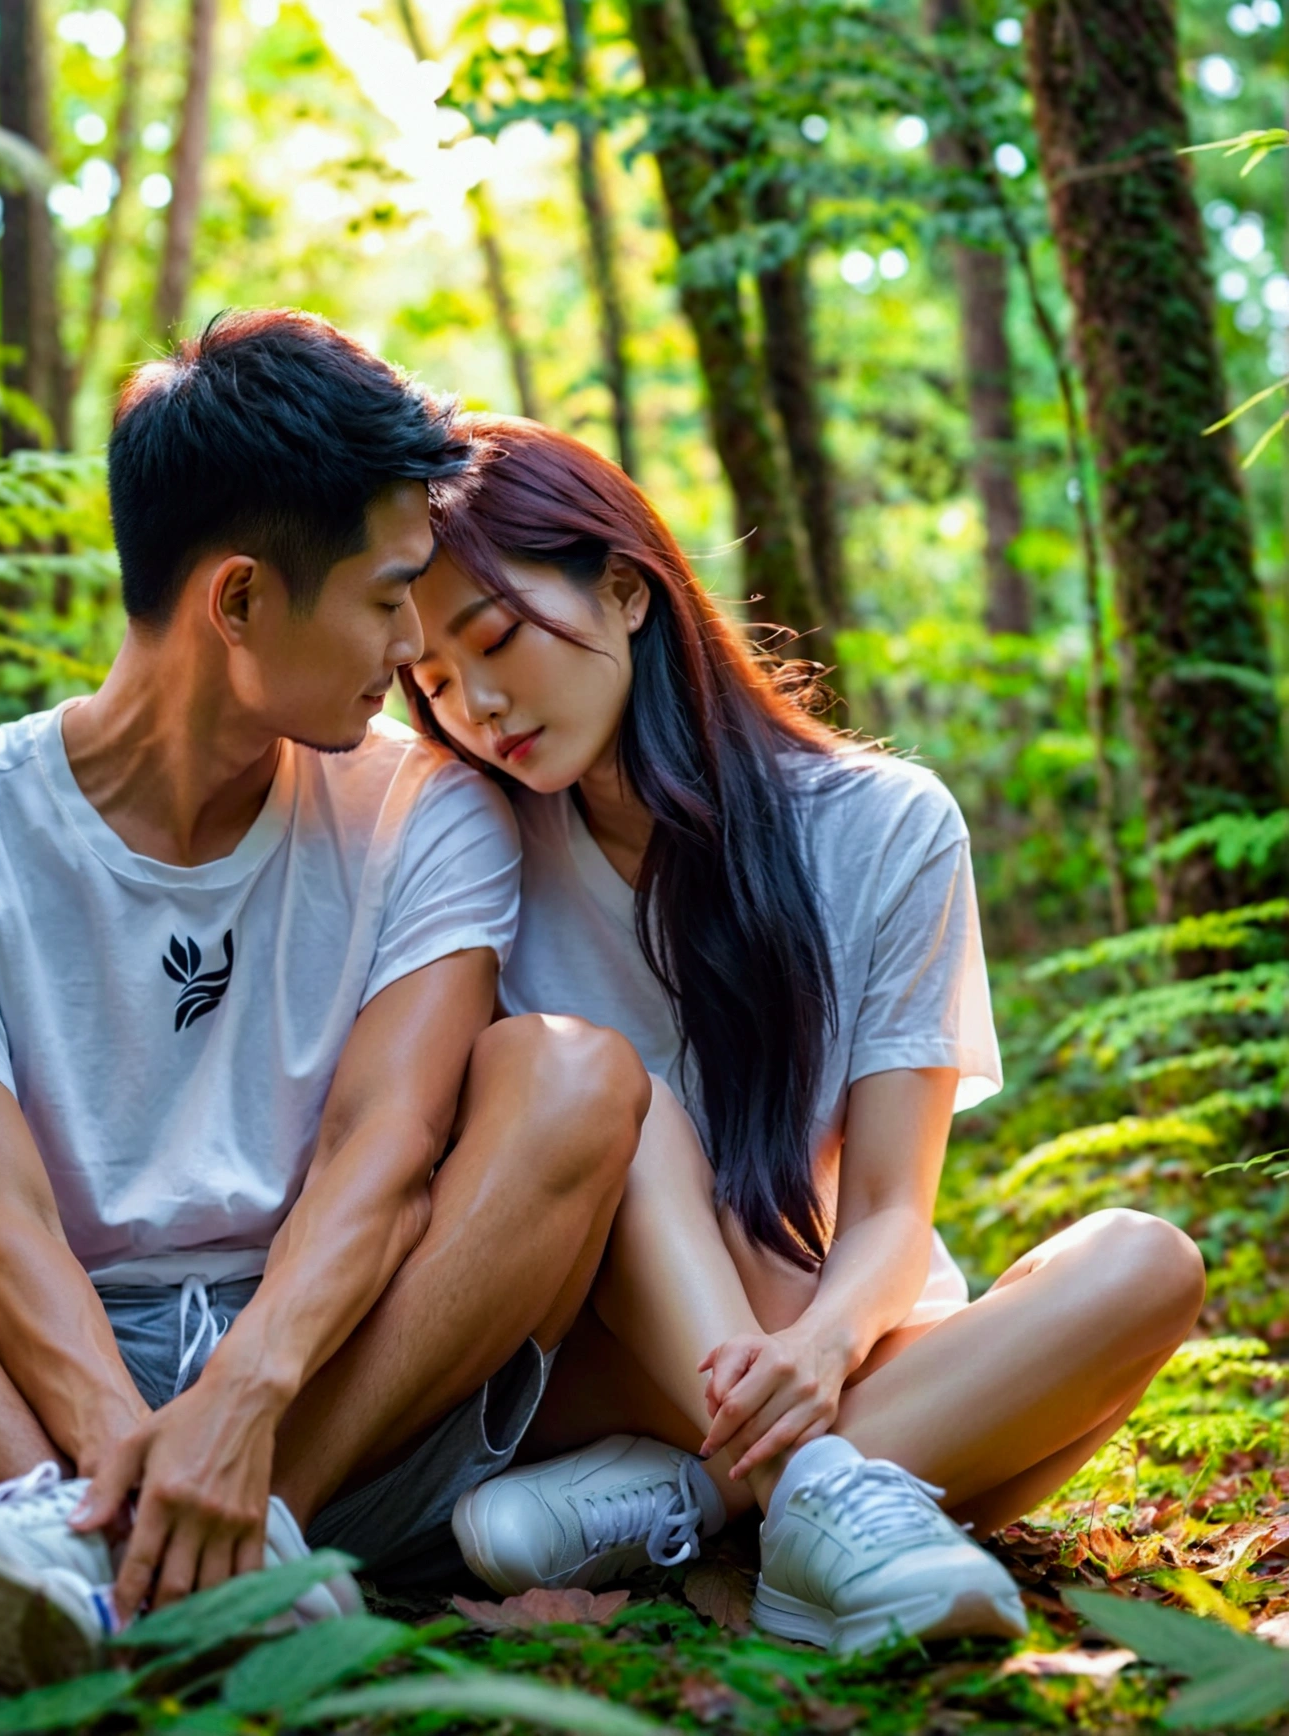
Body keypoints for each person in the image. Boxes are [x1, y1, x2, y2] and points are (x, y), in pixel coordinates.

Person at [0, 321, 653, 1692]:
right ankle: (135, 1556)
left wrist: (242, 1405)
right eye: (385, 594)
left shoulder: (424, 807)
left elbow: (382, 1152)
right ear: (238, 602)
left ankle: (163, 1571)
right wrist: (132, 1456)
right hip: (10, 1417)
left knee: (575, 1074)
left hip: (336, 1376)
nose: (412, 646)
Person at [404, 416, 1207, 1655]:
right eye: (434, 681)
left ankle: (705, 1498)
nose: (477, 706)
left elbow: (889, 1207)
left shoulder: (882, 828)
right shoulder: (468, 842)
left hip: (811, 1332)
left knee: (1142, 1262)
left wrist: (823, 1348)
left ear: (626, 589)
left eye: (494, 637)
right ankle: (820, 1501)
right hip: (578, 1369)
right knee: (622, 1101)